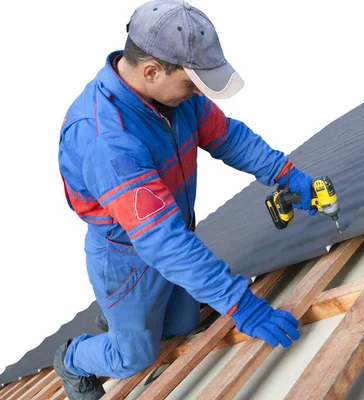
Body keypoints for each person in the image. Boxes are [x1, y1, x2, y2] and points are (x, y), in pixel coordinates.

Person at [55, 0, 315, 398]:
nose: (197, 94)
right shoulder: (105, 137)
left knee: (181, 323)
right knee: (134, 356)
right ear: (152, 71)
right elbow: (163, 240)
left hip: (166, 233)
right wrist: (241, 305)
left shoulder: (174, 97)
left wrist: (284, 173)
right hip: (127, 257)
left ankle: (119, 317)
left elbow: (229, 137)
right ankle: (73, 358)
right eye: (191, 84)